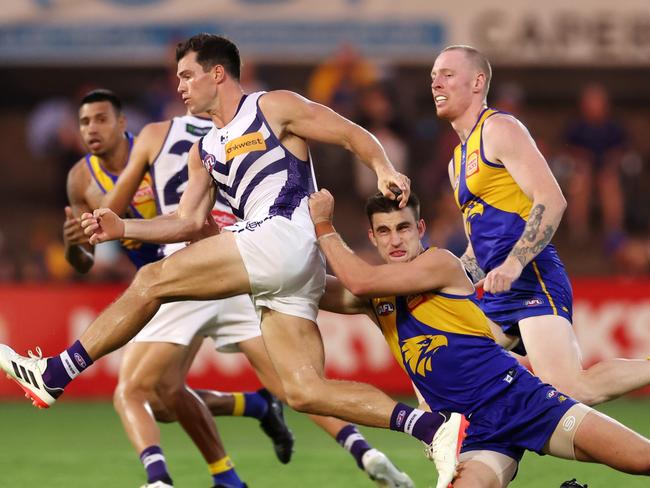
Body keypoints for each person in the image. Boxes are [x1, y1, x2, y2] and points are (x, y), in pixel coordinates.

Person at [0, 33, 457, 481]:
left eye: (186, 75)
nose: (178, 86)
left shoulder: (271, 107)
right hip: (288, 269)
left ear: (217, 73)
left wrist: (383, 168)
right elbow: (185, 222)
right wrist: (124, 228)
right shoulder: (204, 151)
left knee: (153, 281)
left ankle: (56, 372)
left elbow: (348, 132)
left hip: (284, 234)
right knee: (304, 390)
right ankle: (436, 429)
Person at [105, 109, 414, 488]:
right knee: (297, 387)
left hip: (198, 264)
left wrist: (114, 222)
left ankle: (162, 480)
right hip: (248, 263)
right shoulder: (252, 127)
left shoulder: (156, 134)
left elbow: (159, 214)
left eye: (186, 75)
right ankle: (361, 449)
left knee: (138, 392)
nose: (184, 85)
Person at [307, 188, 650, 488]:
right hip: (476, 432)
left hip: (519, 401)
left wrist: (323, 224)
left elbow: (359, 280)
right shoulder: (376, 298)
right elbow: (309, 288)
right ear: (372, 237)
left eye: (403, 228)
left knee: (641, 459)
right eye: (384, 231)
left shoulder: (440, 263)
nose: (395, 240)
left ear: (420, 229)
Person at [430, 45, 650, 406]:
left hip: (530, 274)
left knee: (572, 388)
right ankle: (477, 456)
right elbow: (476, 245)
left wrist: (514, 263)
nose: (436, 82)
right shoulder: (458, 160)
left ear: (477, 82)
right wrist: (439, 272)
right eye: (433, 76)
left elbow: (552, 199)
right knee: (448, 370)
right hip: (497, 288)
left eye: (447, 74)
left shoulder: (500, 128)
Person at [59, 88, 257, 488]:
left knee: (134, 391)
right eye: (84, 122)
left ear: (121, 123)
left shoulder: (159, 152)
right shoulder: (80, 179)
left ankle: (161, 480)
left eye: (100, 119)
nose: (91, 129)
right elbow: (84, 262)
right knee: (164, 399)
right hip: (149, 289)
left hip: (192, 270)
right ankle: (254, 414)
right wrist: (73, 244)